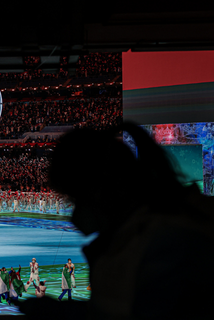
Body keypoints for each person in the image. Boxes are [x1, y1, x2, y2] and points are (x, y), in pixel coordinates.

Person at [21, 123, 214, 319]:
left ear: (101, 190)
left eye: (76, 199)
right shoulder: (157, 229)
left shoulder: (164, 247)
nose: (75, 214)